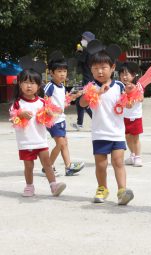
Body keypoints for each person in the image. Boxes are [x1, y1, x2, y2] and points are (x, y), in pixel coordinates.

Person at [79, 44, 134, 205]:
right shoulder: (91, 87)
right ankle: (102, 188)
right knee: (101, 164)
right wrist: (97, 92)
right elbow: (82, 103)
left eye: (103, 67)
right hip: (99, 133)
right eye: (95, 68)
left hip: (117, 132)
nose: (100, 71)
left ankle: (122, 191)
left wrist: (130, 95)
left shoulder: (119, 86)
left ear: (112, 68)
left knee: (118, 161)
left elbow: (129, 105)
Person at [9, 67, 66, 197]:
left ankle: (53, 185)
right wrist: (20, 114)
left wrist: (50, 114)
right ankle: (29, 186)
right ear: (20, 84)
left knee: (47, 164)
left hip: (41, 140)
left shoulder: (42, 102)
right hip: (26, 141)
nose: (29, 86)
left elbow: (48, 120)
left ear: (38, 86)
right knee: (28, 166)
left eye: (33, 83)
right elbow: (13, 119)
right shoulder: (17, 104)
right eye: (25, 82)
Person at [44, 52, 85, 176]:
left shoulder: (61, 86)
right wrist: (50, 112)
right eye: (59, 71)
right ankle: (47, 167)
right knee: (60, 143)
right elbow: (44, 100)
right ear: (51, 73)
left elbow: (64, 100)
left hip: (60, 119)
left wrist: (75, 96)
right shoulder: (50, 86)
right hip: (53, 120)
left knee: (64, 143)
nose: (62, 74)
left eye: (64, 71)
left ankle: (68, 167)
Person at [118, 62, 144, 167]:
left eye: (127, 74)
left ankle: (138, 157)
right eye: (122, 74)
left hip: (135, 116)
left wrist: (132, 100)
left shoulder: (138, 86)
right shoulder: (119, 86)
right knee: (127, 137)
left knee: (135, 137)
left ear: (133, 75)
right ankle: (132, 155)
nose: (124, 77)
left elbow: (141, 98)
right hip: (123, 116)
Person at [72, 31, 95, 130]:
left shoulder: (87, 51)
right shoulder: (94, 51)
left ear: (88, 40)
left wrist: (79, 52)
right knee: (79, 101)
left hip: (88, 80)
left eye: (83, 39)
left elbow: (79, 62)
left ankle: (96, 121)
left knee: (84, 102)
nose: (82, 41)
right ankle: (80, 123)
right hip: (91, 80)